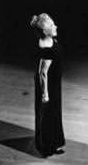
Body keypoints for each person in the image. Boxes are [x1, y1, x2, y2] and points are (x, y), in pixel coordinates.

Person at [30, 13, 65, 157]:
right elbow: (42, 73)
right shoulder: (46, 49)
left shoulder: (51, 40)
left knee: (54, 115)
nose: (55, 26)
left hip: (54, 85)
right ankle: (45, 148)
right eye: (51, 25)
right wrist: (45, 94)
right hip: (48, 87)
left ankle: (53, 144)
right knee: (47, 117)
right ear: (45, 31)